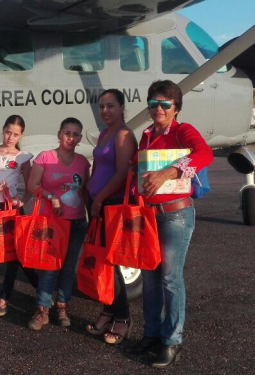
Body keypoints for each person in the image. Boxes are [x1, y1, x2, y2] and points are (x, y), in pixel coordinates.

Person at [127, 80, 213, 368]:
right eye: (153, 104)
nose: (159, 109)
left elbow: (205, 154)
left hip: (176, 213)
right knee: (150, 279)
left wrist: (170, 172)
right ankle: (152, 334)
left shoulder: (182, 130)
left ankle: (172, 340)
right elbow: (142, 172)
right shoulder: (147, 135)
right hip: (149, 214)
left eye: (165, 104)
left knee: (169, 278)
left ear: (176, 108)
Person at [27, 117, 90, 330]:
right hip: (52, 223)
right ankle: (42, 309)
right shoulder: (45, 157)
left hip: (77, 221)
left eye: (75, 134)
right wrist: (51, 196)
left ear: (80, 137)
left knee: (69, 266)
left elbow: (86, 191)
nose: (70, 138)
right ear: (59, 134)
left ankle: (62, 306)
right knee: (50, 265)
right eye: (67, 133)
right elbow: (32, 185)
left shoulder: (82, 162)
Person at [85, 89, 137, 344]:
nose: (105, 111)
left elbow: (121, 174)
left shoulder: (123, 134)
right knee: (102, 262)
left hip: (111, 204)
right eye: (101, 106)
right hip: (98, 204)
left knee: (112, 262)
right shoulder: (105, 133)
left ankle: (123, 318)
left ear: (122, 108)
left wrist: (99, 198)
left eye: (110, 106)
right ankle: (107, 309)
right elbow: (99, 167)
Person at [0, 115, 38, 317]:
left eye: (16, 134)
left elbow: (30, 187)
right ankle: (42, 291)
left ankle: (4, 298)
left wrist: (22, 202)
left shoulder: (23, 157)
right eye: (8, 132)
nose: (11, 137)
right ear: (3, 130)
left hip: (13, 210)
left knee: (15, 254)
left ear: (21, 135)